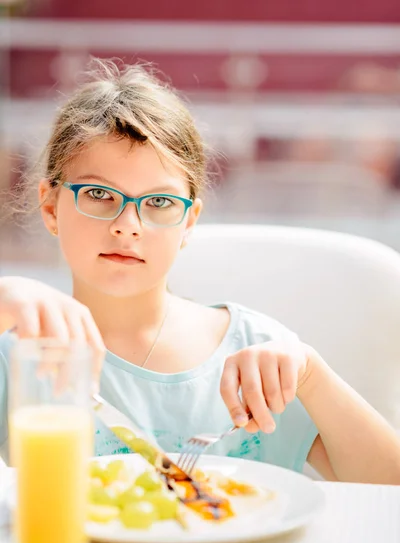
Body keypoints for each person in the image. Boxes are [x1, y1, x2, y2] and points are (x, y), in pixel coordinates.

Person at [1, 59, 400, 483]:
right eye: (99, 193)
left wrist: (313, 376)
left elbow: (388, 491)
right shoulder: (20, 352)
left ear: (189, 222)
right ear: (50, 208)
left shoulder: (260, 357)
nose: (127, 224)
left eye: (159, 202)